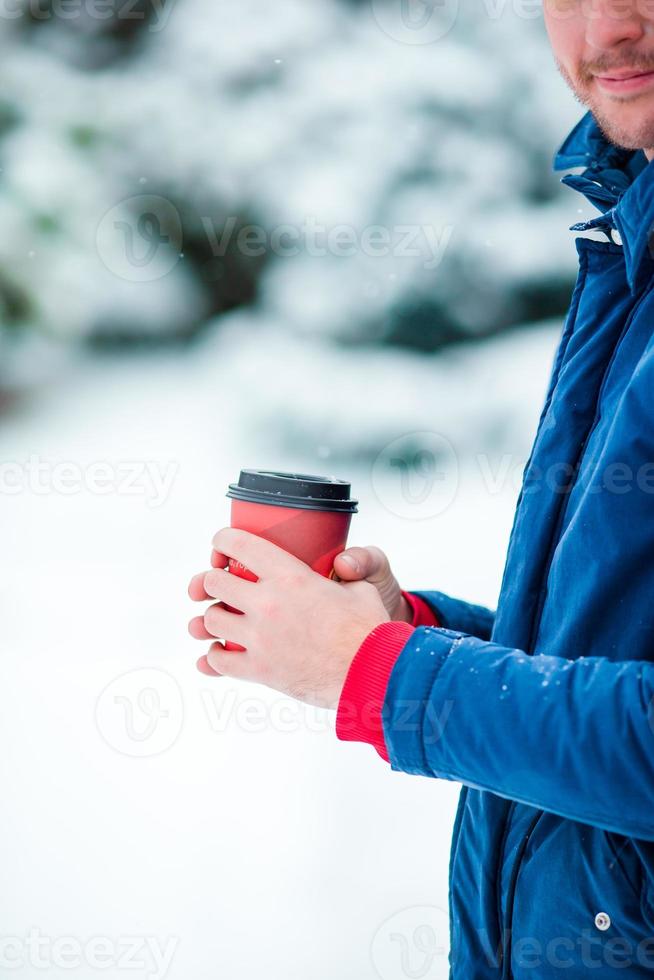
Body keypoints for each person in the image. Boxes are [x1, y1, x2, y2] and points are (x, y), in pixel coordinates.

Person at [188, 3, 654, 976]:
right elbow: (616, 650)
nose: (604, 27)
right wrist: (407, 630)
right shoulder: (630, 243)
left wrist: (384, 675)